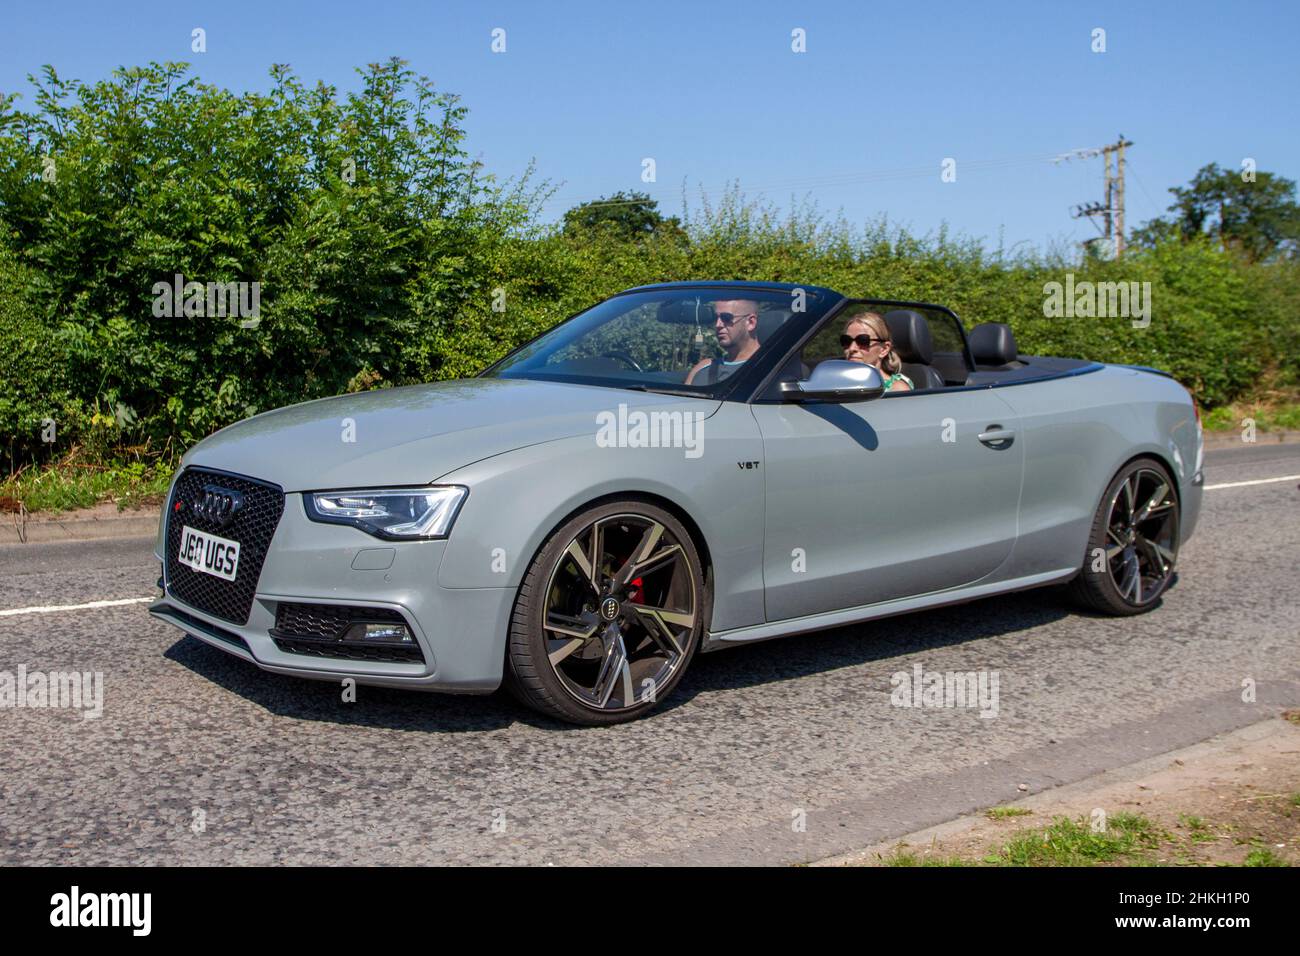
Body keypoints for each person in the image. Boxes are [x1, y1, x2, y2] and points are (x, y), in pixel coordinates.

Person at [684, 299, 761, 385]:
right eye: (715, 317)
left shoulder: (771, 369)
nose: (718, 325)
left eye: (726, 318)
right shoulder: (702, 369)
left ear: (751, 322)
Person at [841, 312, 912, 391]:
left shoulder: (896, 389)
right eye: (846, 341)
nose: (851, 348)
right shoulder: (837, 382)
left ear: (884, 349)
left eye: (863, 341)